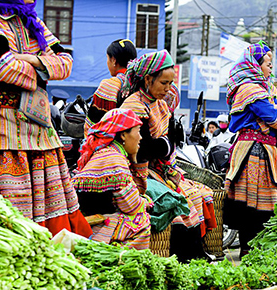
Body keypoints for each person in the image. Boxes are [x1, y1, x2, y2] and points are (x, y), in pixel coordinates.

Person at [0, 0, 92, 237]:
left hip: (40, 128)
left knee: (51, 204)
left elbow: (66, 63)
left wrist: (31, 60)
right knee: (6, 213)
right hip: (3, 127)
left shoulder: (33, 23)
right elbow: (2, 67)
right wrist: (42, 72)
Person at [120, 49, 216, 262]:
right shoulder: (134, 106)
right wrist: (165, 145)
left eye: (171, 83)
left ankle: (195, 254)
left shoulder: (160, 104)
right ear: (148, 79)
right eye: (164, 83)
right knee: (178, 200)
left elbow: (165, 144)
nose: (168, 88)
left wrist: (164, 147)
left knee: (198, 193)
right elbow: (143, 149)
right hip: (137, 171)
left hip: (158, 168)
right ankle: (185, 258)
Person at [224, 42, 277, 258]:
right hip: (253, 151)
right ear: (255, 65)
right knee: (250, 204)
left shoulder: (267, 88)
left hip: (267, 150)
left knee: (265, 204)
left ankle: (256, 249)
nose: (271, 69)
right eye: (268, 64)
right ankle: (247, 249)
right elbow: (272, 117)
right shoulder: (249, 88)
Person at [72, 109, 153, 249]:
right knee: (142, 220)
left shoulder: (109, 153)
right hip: (97, 221)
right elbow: (131, 206)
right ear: (123, 135)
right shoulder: (114, 159)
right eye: (138, 131)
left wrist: (134, 160)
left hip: (98, 214)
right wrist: (145, 203)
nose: (140, 138)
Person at [84, 39, 137, 136]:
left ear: (113, 60)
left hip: (115, 146)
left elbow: (94, 125)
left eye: (108, 58)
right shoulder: (141, 82)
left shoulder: (110, 85)